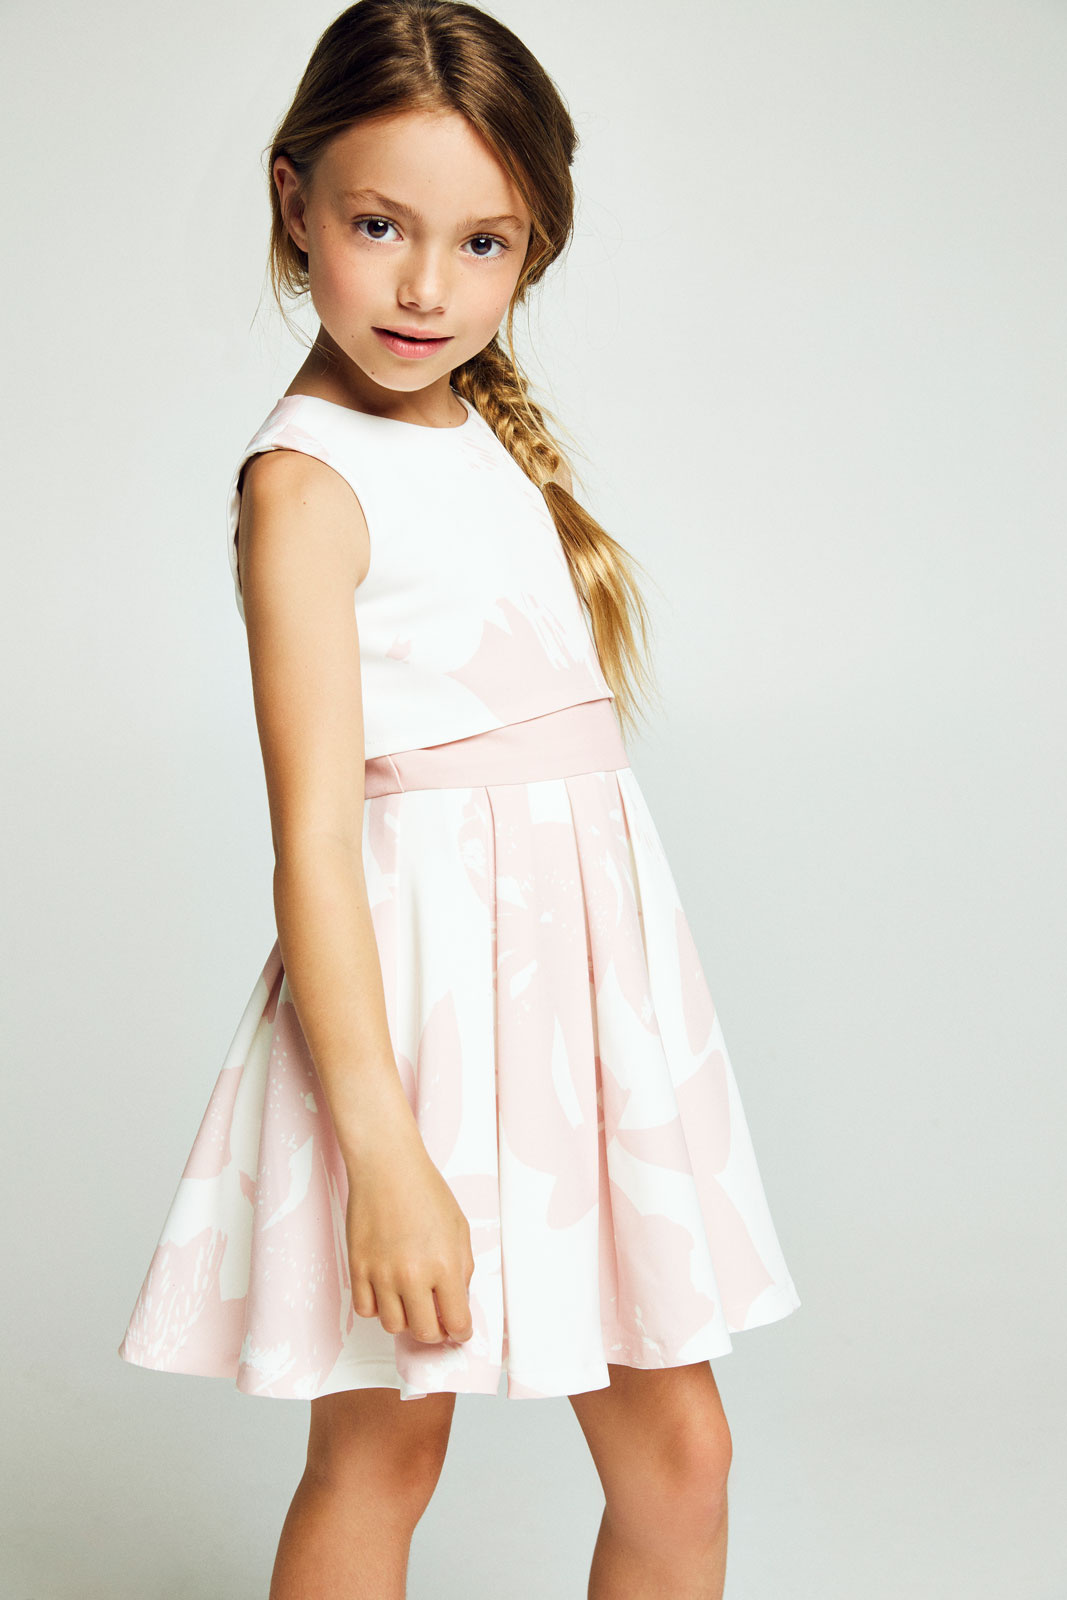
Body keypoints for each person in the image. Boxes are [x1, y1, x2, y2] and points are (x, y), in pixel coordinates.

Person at [116, 2, 801, 1593]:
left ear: (530, 247)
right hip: (411, 1043)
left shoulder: (475, 430)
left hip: (574, 1027)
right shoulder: (307, 483)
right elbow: (315, 850)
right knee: (381, 1451)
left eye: (481, 243)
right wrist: (386, 1156)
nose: (428, 288)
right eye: (381, 227)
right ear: (294, 203)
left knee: (681, 1457)